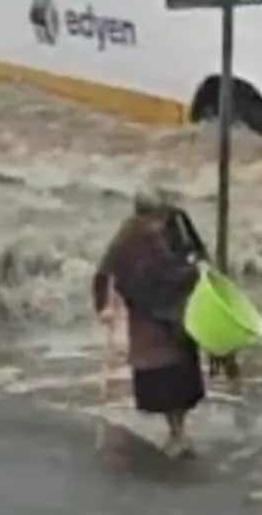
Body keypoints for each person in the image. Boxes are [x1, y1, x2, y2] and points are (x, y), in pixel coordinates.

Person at [91, 188, 218, 458]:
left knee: (182, 374)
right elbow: (103, 273)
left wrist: (200, 271)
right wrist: (102, 307)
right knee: (162, 375)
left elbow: (195, 255)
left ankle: (179, 432)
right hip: (147, 315)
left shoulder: (174, 225)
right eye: (149, 220)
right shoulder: (129, 236)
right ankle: (175, 433)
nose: (153, 226)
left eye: (156, 220)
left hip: (178, 311)